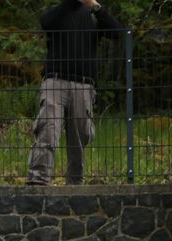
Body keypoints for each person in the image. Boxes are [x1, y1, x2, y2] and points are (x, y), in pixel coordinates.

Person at [26, 0, 123, 186]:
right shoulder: (60, 12)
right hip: (55, 81)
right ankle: (38, 181)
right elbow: (45, 21)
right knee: (48, 130)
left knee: (79, 137)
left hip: (84, 85)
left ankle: (75, 184)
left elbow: (118, 32)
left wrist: (96, 8)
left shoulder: (95, 16)